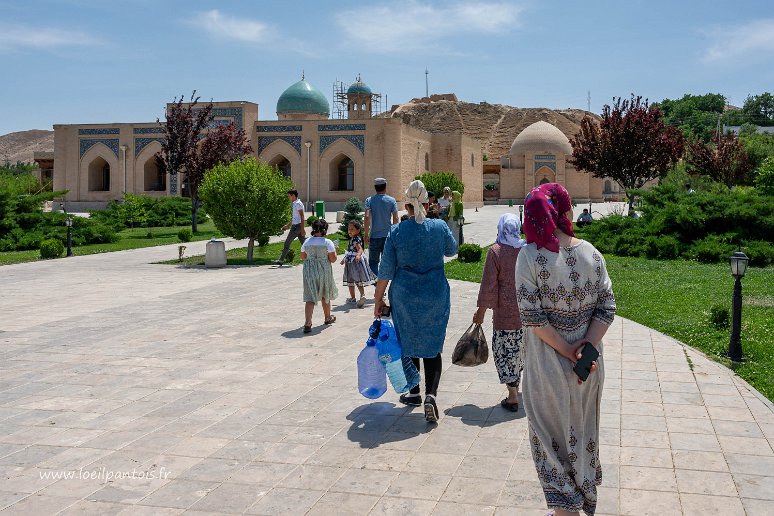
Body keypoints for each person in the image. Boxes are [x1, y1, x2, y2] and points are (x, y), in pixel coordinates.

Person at [515, 183, 616, 516]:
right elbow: (607, 308)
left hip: (547, 371)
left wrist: (567, 347)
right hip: (587, 371)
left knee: (550, 445)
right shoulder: (592, 254)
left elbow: (534, 319)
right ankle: (577, 501)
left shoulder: (528, 257)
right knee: (582, 433)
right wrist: (585, 344)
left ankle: (565, 510)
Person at [373, 180, 458, 422]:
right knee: (432, 346)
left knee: (408, 343)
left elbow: (385, 270)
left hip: (404, 297)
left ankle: (414, 392)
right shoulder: (439, 227)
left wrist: (377, 301)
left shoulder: (397, 231)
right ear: (428, 202)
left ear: (407, 204)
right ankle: (431, 395)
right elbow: (451, 250)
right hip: (435, 295)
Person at [472, 213, 526, 412]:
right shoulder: (527, 249)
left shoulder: (495, 251)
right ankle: (520, 391)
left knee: (505, 352)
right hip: (528, 313)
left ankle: (513, 396)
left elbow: (489, 285)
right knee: (522, 351)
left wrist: (481, 312)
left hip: (505, 314)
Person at [300, 219, 338, 333]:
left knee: (310, 296)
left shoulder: (306, 242)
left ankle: (308, 322)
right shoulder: (328, 242)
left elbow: (303, 257)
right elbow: (333, 259)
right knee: (325, 293)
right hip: (323, 270)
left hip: (309, 271)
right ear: (324, 230)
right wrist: (334, 251)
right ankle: (327, 317)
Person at [364, 178, 399, 276]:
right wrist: (394, 233)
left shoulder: (369, 200)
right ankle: (384, 285)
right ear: (385, 187)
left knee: (373, 263)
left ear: (375, 187)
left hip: (374, 236)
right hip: (387, 236)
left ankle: (377, 286)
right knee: (387, 262)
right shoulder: (391, 200)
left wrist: (366, 234)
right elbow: (396, 218)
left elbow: (367, 217)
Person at [340, 220, 376, 308]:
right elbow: (350, 251)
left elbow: (360, 249)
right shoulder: (354, 238)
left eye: (352, 229)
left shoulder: (356, 239)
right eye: (349, 229)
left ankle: (357, 297)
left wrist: (359, 255)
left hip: (353, 262)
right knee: (354, 280)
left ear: (358, 230)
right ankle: (358, 296)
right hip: (350, 261)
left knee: (353, 280)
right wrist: (344, 258)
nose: (349, 231)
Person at [274, 189, 306, 265]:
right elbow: (295, 217)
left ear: (293, 195)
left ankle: (281, 260)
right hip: (297, 226)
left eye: (289, 196)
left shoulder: (298, 204)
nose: (288, 198)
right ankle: (311, 258)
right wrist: (287, 225)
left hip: (296, 227)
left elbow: (302, 216)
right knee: (304, 244)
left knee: (287, 243)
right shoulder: (296, 203)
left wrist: (302, 229)